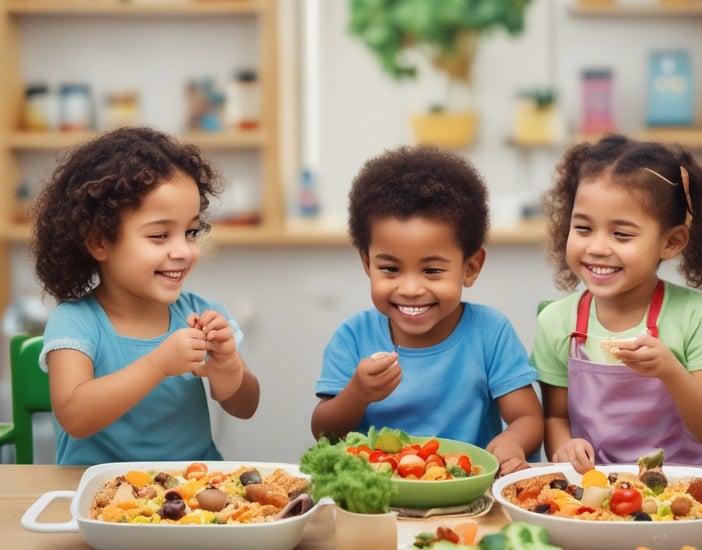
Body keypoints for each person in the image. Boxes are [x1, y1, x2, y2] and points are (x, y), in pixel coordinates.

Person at [30, 126, 260, 465]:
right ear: (99, 241)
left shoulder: (202, 313)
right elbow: (74, 416)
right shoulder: (75, 322)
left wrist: (228, 367)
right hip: (100, 499)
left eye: (191, 232)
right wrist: (157, 365)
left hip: (191, 498)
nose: (183, 250)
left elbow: (245, 407)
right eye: (159, 235)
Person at [310, 145, 544, 475]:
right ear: (367, 263)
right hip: (380, 497)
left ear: (471, 267)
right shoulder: (353, 336)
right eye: (390, 269)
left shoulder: (491, 332)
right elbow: (324, 431)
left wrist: (513, 440)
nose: (410, 288)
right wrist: (357, 394)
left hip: (469, 494)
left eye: (432, 271)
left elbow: (527, 417)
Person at [531, 133, 702, 474]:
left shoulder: (696, 315)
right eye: (583, 228)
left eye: (621, 234)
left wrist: (670, 371)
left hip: (684, 488)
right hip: (596, 490)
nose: (597, 247)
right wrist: (564, 446)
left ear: (671, 242)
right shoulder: (556, 322)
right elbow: (555, 416)